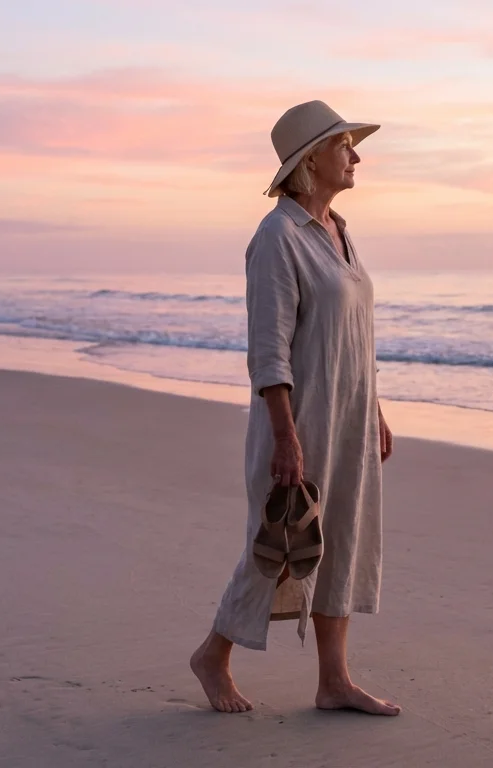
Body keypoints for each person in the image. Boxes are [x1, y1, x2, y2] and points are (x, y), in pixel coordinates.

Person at [189, 101, 399, 716]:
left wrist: (376, 409)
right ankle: (212, 656)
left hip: (351, 415)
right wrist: (285, 437)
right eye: (344, 146)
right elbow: (269, 348)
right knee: (280, 544)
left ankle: (333, 681)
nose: (356, 156)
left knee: (342, 541)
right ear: (311, 160)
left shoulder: (339, 228)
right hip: (301, 419)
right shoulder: (277, 236)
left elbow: (355, 334)